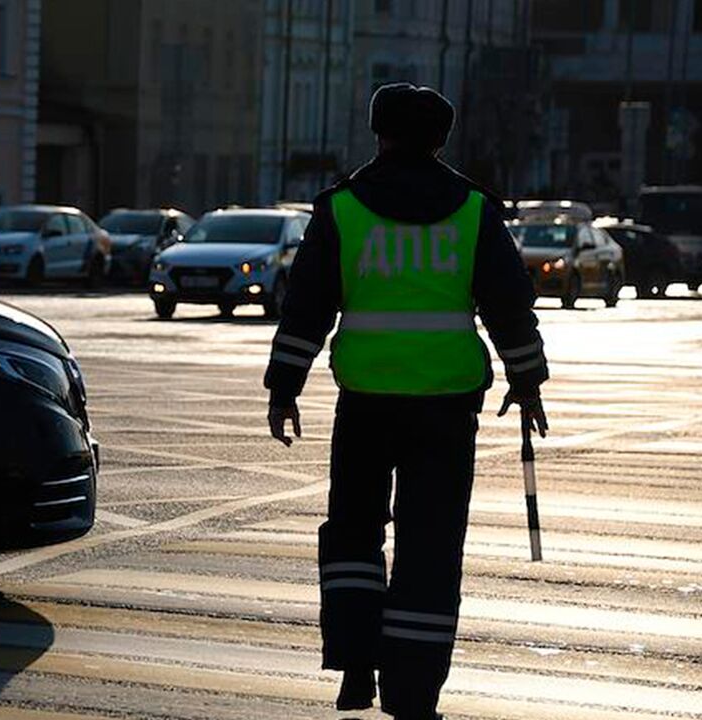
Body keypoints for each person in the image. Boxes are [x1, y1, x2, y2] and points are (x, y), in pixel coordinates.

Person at [264, 83, 549, 720]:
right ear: (441, 140)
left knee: (355, 535)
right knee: (431, 549)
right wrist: (526, 382)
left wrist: (284, 387)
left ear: (379, 133)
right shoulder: (474, 209)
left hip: (364, 401)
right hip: (447, 407)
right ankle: (413, 695)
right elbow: (508, 305)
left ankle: (357, 668)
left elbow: (307, 305)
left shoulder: (342, 208)